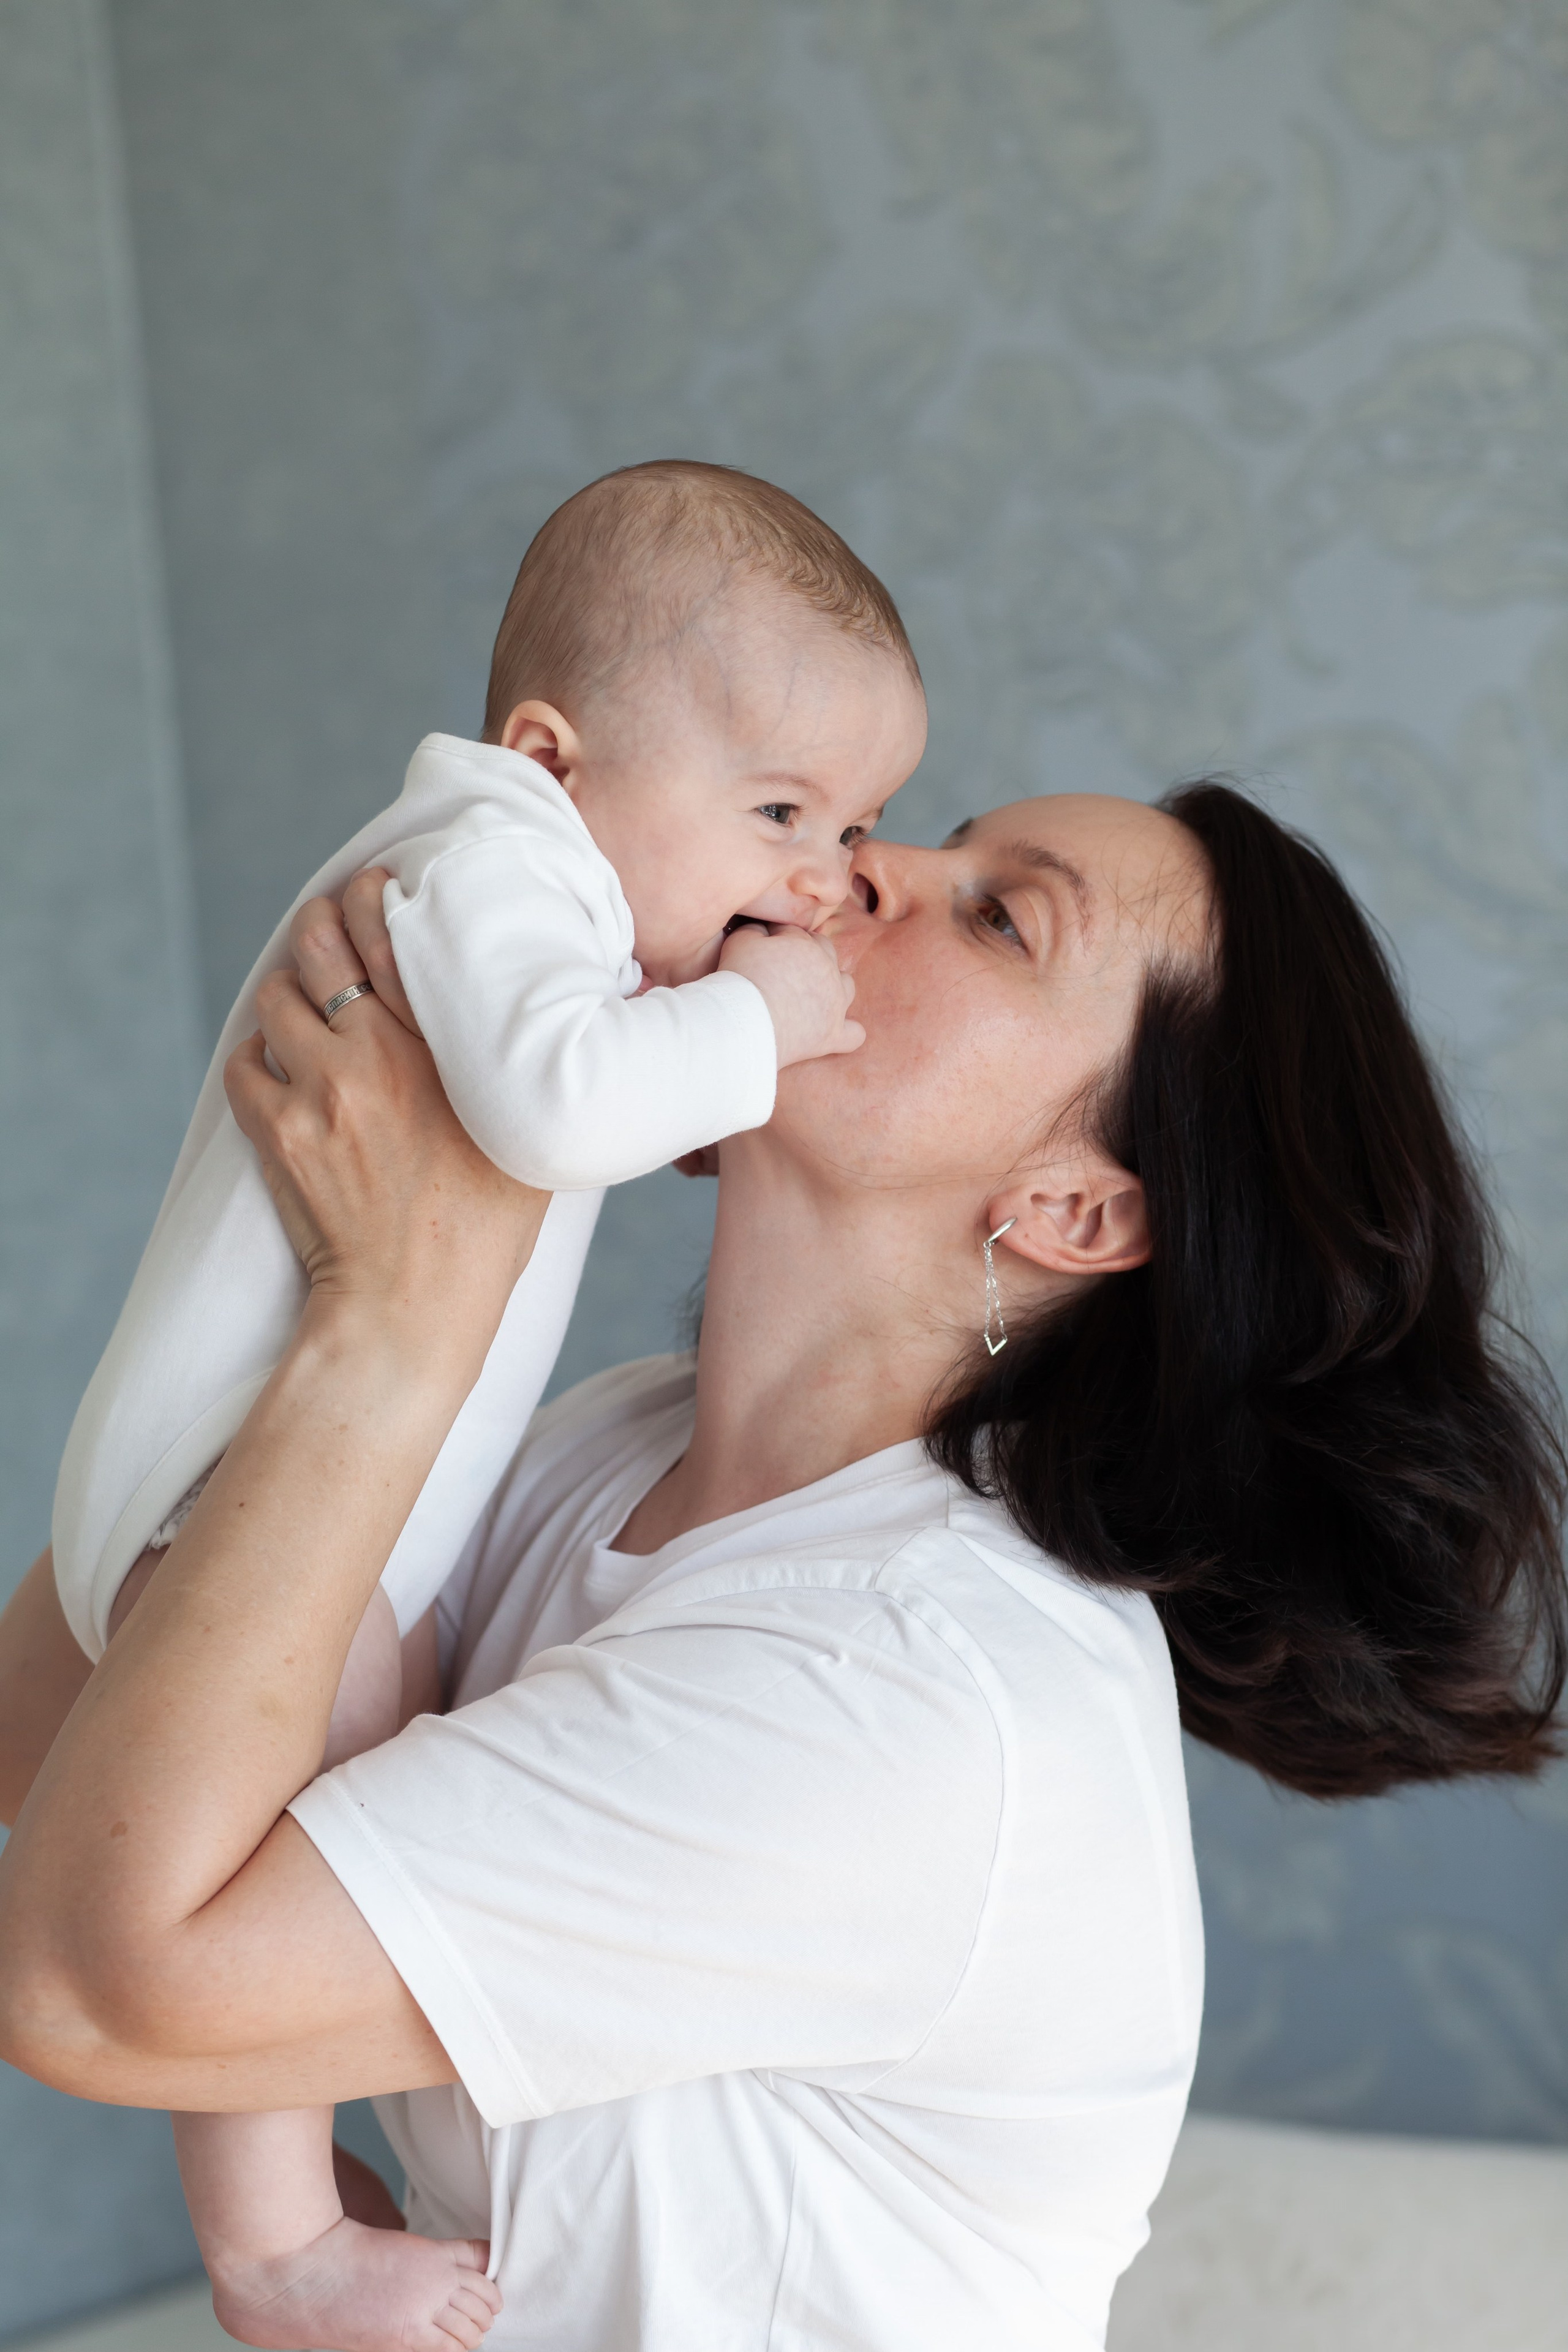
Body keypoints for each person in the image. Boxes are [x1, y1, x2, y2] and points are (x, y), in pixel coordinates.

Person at [1, 783, 1562, 2352]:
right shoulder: (621, 1448)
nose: (867, 864)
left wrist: (388, 1327)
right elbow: (56, 1732)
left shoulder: (898, 1683)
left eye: (998, 916)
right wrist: (293, 1253)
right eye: (931, 838)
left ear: (1072, 1205)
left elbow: (89, 1983)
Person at [44, 462, 926, 2345]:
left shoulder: (522, 883)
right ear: (554, 750)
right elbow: (558, 1107)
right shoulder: (498, 864)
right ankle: (271, 2245)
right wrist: (758, 1034)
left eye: (854, 824)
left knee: (283, 1783)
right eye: (781, 811)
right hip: (248, 1490)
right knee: (283, 1817)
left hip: (230, 1480)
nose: (822, 879)